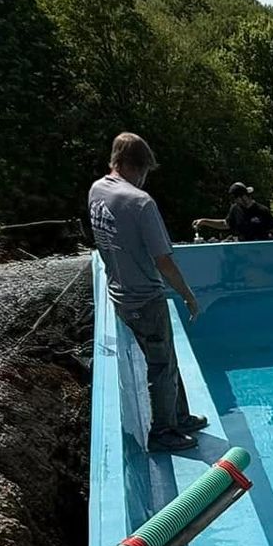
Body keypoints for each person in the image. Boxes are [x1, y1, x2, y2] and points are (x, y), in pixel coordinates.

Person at [87, 132, 209, 453]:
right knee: (161, 365)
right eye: (143, 171)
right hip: (144, 296)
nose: (144, 179)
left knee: (167, 357)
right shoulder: (140, 202)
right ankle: (163, 431)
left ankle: (179, 416)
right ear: (134, 166)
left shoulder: (97, 190)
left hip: (120, 292)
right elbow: (163, 260)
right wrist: (187, 295)